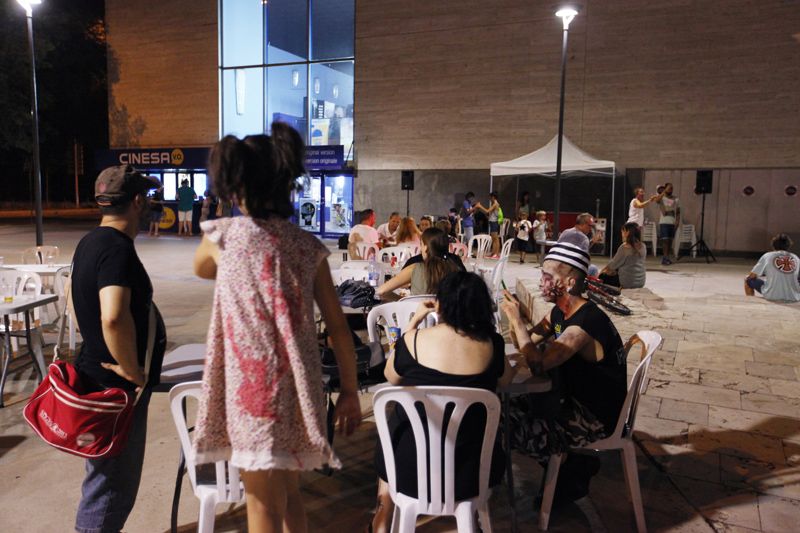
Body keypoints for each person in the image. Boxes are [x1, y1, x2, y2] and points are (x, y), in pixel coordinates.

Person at [192, 125, 362, 533]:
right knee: (287, 495)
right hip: (298, 391)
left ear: (236, 186)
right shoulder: (307, 247)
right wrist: (350, 391)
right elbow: (339, 329)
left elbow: (201, 268)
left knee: (261, 506)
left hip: (251, 395)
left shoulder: (222, 237)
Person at [370, 271, 514, 532]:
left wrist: (413, 322)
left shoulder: (413, 341)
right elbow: (506, 380)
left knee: (396, 425)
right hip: (471, 473)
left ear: (441, 304)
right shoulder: (492, 344)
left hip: (407, 470)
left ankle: (383, 513)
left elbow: (391, 376)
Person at [72, 165, 167, 533]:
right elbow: (112, 316)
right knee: (112, 488)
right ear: (137, 202)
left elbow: (74, 302)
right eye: (149, 198)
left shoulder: (90, 242)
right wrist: (130, 369)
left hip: (96, 378)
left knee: (101, 480)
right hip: (116, 390)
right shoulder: (116, 250)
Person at [501, 241, 627, 505]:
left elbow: (538, 364)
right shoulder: (560, 312)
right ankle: (566, 469)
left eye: (547, 277)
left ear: (569, 283)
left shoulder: (583, 324)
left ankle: (572, 466)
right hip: (570, 400)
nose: (541, 283)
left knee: (509, 427)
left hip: (595, 416)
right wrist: (515, 320)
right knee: (500, 409)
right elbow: (527, 343)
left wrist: (517, 320)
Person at [376, 228, 461, 300]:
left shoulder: (414, 268)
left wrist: (402, 301)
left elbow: (381, 291)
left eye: (421, 245)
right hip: (447, 314)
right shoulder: (456, 269)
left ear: (426, 247)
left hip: (416, 314)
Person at [744, 233, 800, 302]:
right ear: (789, 245)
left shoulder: (767, 256)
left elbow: (752, 275)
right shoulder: (796, 258)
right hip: (793, 296)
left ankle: (751, 302)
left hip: (771, 295)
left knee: (748, 279)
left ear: (773, 245)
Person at [599, 222, 647, 289]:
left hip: (627, 283)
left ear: (627, 232)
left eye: (622, 232)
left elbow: (612, 265)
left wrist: (601, 272)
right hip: (641, 282)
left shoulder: (624, 247)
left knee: (602, 276)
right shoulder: (643, 246)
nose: (621, 234)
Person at [656, 182, 680, 265]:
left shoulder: (676, 199)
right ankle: (665, 257)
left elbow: (678, 212)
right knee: (665, 240)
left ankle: (666, 257)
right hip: (664, 222)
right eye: (669, 188)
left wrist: (677, 222)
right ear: (665, 188)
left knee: (670, 241)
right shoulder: (662, 198)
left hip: (672, 222)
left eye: (672, 188)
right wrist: (663, 192)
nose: (671, 190)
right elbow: (657, 200)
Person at [478, 191, 502, 258]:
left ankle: (497, 254)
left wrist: (480, 206)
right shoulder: (494, 204)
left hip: (494, 222)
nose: (490, 199)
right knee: (493, 239)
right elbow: (490, 213)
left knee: (496, 239)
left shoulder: (495, 204)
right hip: (492, 222)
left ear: (493, 197)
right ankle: (493, 253)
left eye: (490, 197)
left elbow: (487, 211)